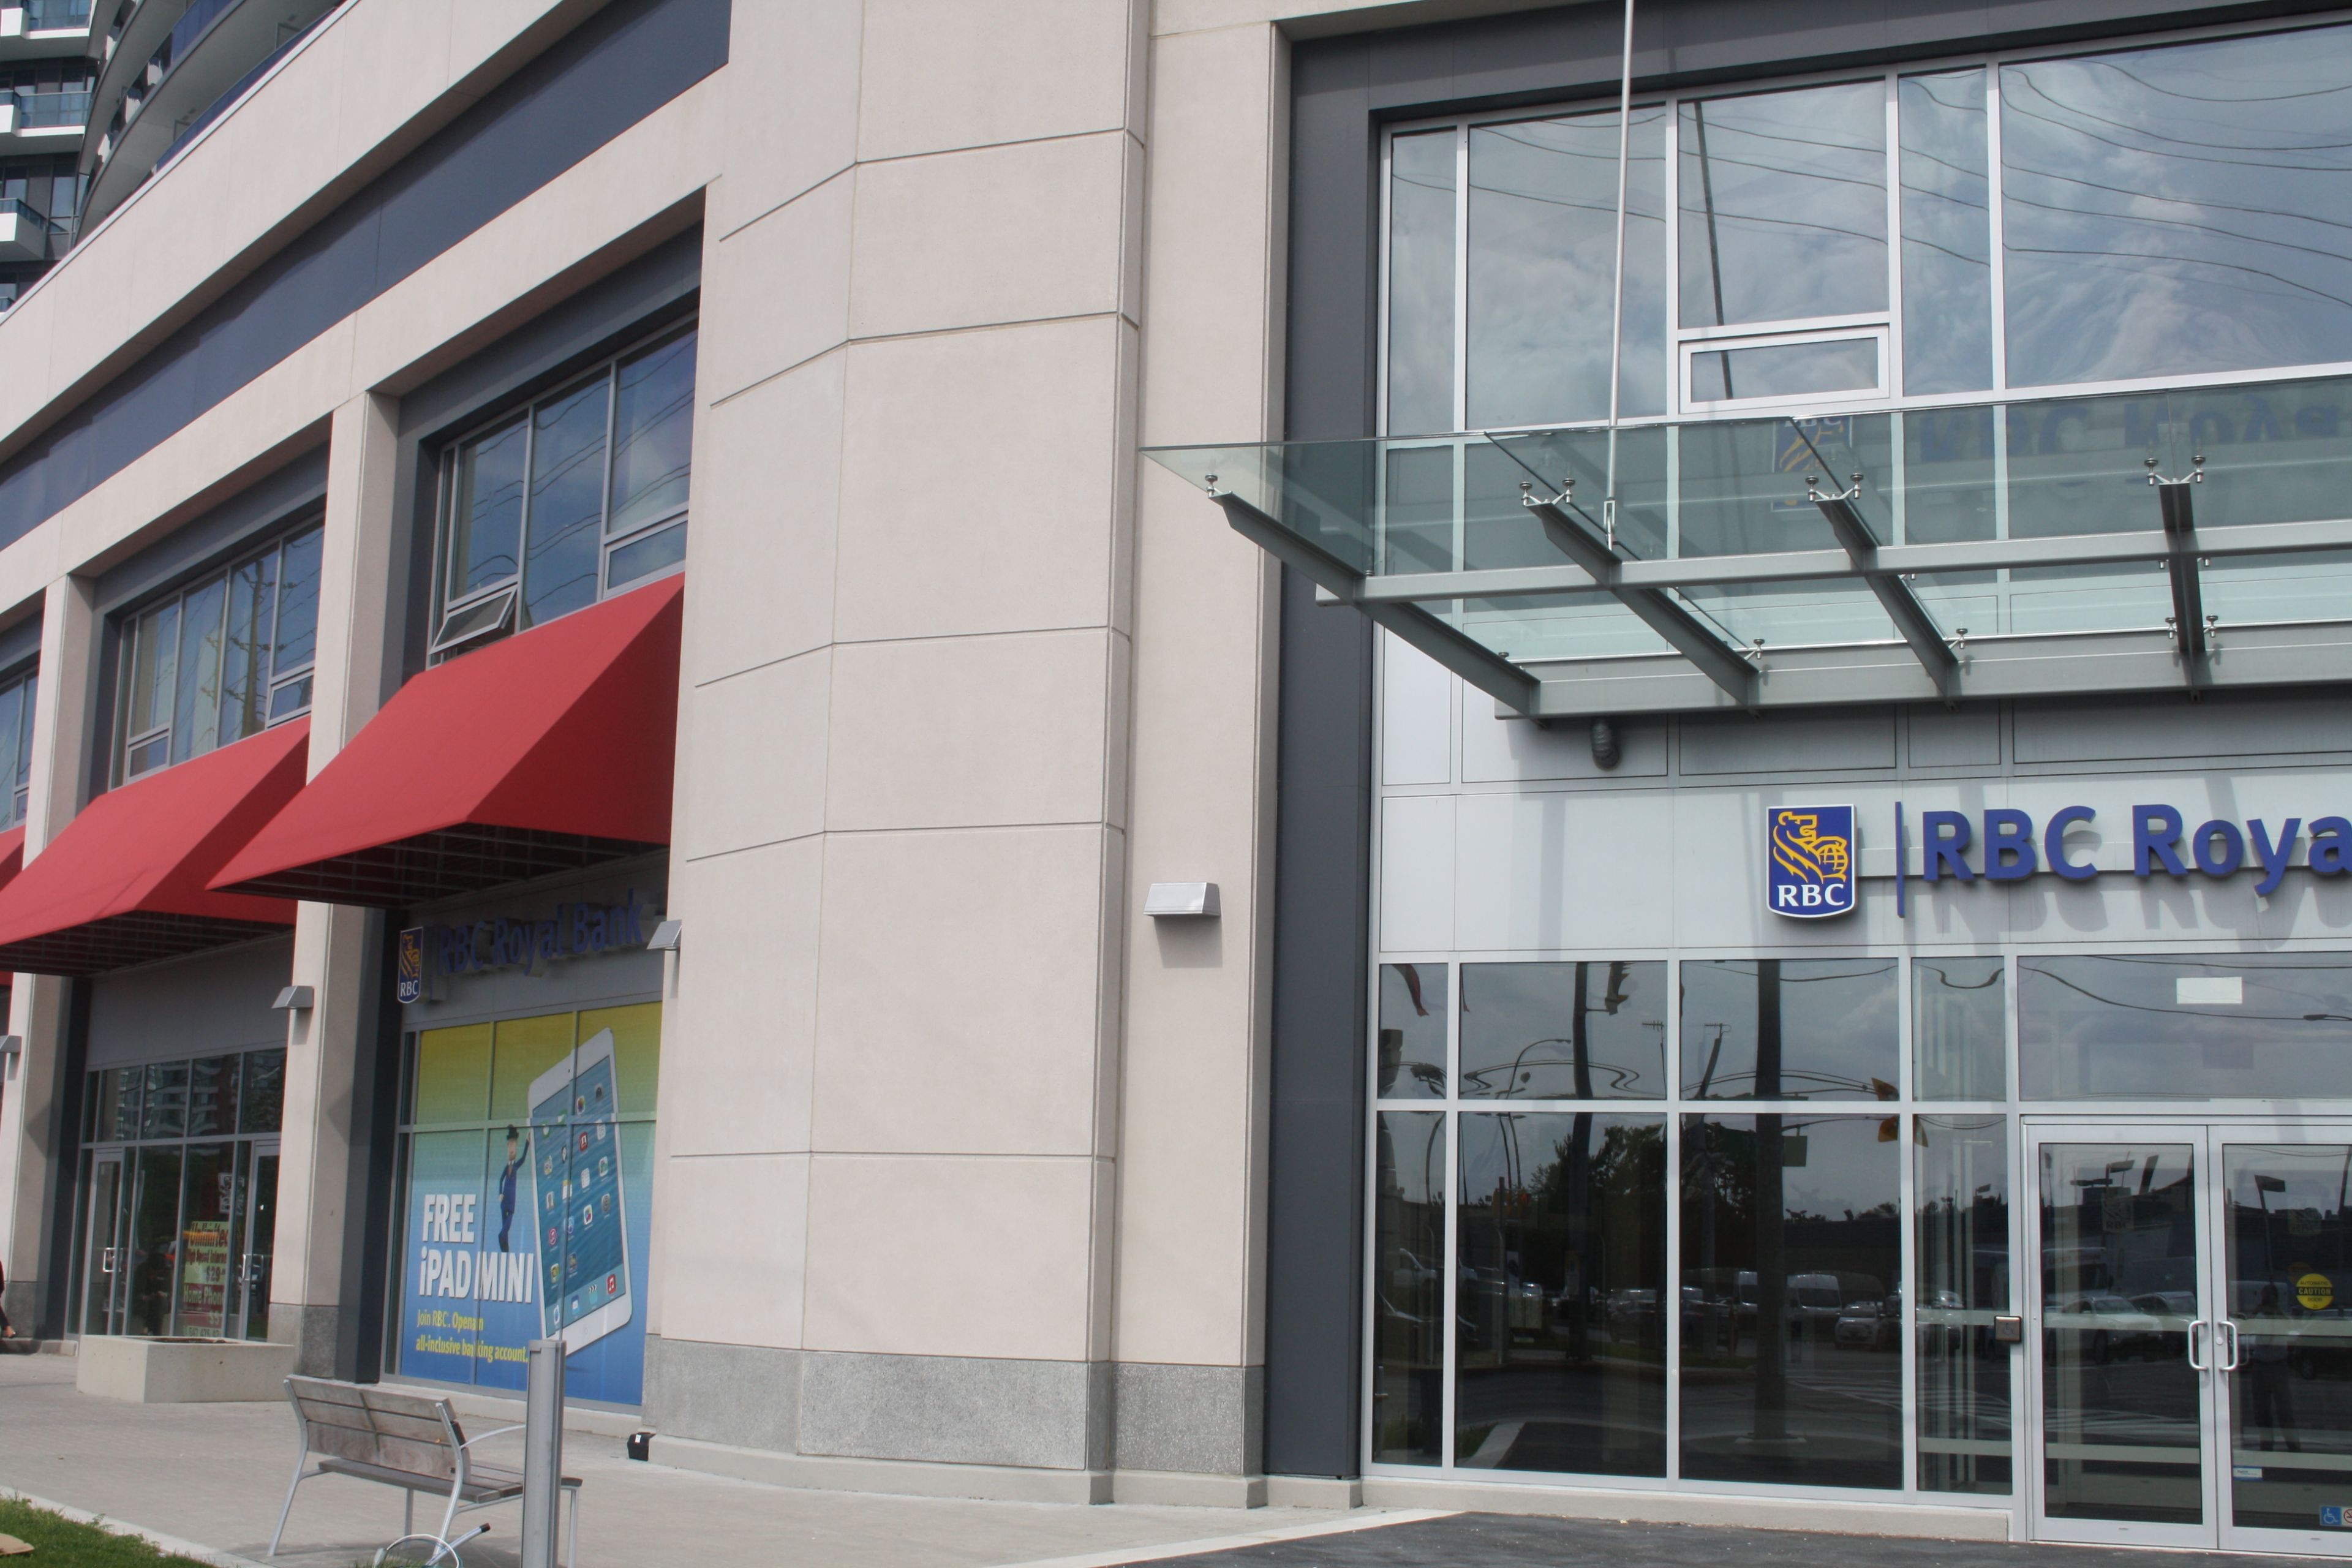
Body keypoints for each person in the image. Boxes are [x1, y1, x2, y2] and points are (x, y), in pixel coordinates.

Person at [497, 1127, 524, 1253]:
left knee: (508, 1222)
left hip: (511, 1199)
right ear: (508, 1146)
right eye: (510, 1144)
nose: (512, 1148)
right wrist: (500, 1193)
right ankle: (505, 1246)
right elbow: (501, 1180)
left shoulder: (516, 1166)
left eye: (514, 1144)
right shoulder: (506, 1167)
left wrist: (528, 1143)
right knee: (505, 1223)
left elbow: (523, 1158)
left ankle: (502, 1236)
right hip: (505, 1199)